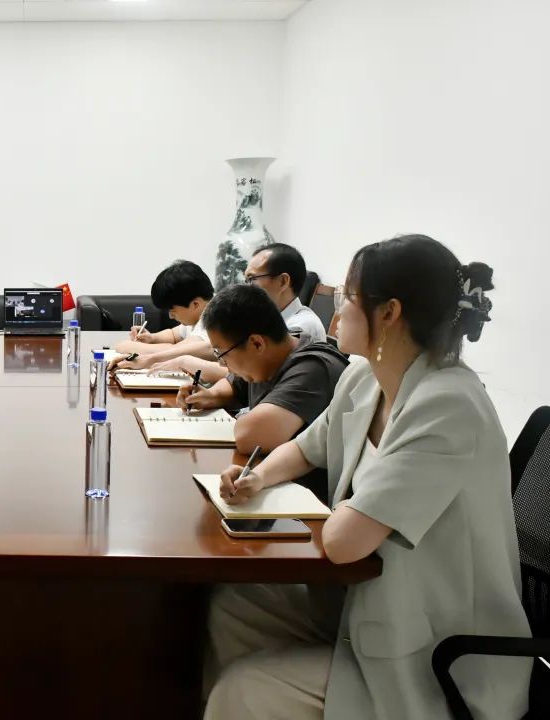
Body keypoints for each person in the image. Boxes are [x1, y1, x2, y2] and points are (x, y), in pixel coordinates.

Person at [203, 235, 530, 719]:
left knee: (245, 689)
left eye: (348, 297)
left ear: (389, 313)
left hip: (438, 649)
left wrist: (333, 511)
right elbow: (305, 447)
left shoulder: (449, 405)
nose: (337, 312)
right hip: (375, 602)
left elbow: (343, 543)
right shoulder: (363, 378)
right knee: (236, 607)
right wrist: (258, 477)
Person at [178, 284, 347, 500]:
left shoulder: (313, 368)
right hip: (273, 484)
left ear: (257, 343)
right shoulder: (270, 355)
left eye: (222, 354)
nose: (223, 364)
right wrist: (208, 395)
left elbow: (249, 436)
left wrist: (243, 417)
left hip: (311, 501)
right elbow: (232, 385)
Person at [110, 261, 223, 378]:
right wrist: (152, 338)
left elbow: (176, 351)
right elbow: (174, 335)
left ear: (195, 304)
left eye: (173, 311)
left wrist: (128, 346)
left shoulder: (214, 319)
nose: (170, 316)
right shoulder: (199, 313)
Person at [243, 242, 326, 343]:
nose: (246, 288)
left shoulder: (301, 327)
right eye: (246, 280)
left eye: (252, 279)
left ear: (282, 281)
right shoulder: (267, 318)